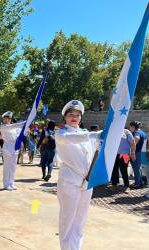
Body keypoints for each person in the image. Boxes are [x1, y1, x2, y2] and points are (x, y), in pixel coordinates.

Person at [55, 100, 101, 250]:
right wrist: (94, 135)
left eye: (77, 115)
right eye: (71, 115)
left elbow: (94, 153)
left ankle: (75, 247)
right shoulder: (61, 133)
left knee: (80, 219)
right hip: (69, 180)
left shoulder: (85, 134)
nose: (74, 117)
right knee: (68, 218)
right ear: (65, 117)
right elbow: (71, 139)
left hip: (87, 181)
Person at [0, 111, 25, 191]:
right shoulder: (3, 126)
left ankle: (11, 182)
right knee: (7, 166)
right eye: (5, 118)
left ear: (10, 119)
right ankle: (6, 184)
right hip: (7, 147)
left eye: (7, 118)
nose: (6, 120)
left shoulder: (14, 128)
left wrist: (25, 126)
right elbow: (13, 126)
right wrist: (23, 123)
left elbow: (20, 134)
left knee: (13, 166)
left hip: (14, 147)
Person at [129, 121, 147, 188]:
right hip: (140, 152)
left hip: (136, 152)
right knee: (138, 168)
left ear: (133, 127)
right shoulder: (143, 132)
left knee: (136, 169)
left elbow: (136, 138)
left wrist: (132, 153)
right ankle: (140, 182)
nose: (130, 128)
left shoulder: (136, 133)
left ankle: (138, 184)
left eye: (130, 127)